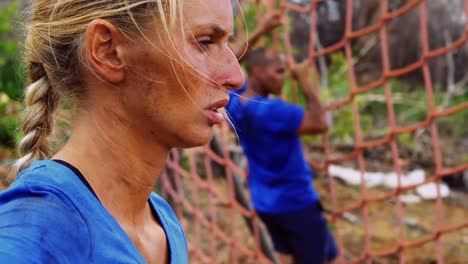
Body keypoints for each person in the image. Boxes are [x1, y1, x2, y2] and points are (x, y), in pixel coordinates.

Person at [0, 0, 244, 263]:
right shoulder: (35, 228)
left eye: (226, 43)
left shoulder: (163, 223)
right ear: (108, 51)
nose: (236, 76)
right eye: (205, 42)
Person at [226, 47, 338, 263]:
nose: (284, 78)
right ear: (257, 71)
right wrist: (304, 80)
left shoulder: (234, 101)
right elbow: (321, 123)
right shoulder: (273, 111)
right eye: (278, 71)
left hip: (264, 202)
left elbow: (234, 58)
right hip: (296, 202)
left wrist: (264, 28)